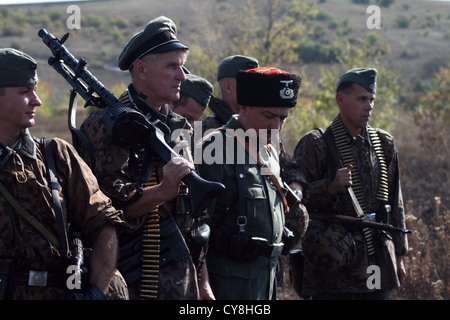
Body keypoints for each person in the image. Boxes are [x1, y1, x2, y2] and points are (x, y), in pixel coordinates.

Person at [79, 16, 214, 300]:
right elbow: (108, 209)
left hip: (182, 274)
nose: (182, 76)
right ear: (140, 69)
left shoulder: (180, 126)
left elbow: (192, 214)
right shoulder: (105, 125)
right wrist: (163, 191)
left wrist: (203, 284)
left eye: (182, 67)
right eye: (171, 66)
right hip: (133, 276)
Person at [0, 48, 127, 300]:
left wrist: (95, 293)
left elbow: (103, 225)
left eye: (35, 91)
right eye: (25, 92)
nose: (37, 101)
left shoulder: (55, 155)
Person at [291, 67, 408, 300]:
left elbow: (395, 201)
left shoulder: (383, 143)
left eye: (372, 100)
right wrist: (330, 187)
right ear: (340, 99)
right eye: (362, 99)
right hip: (335, 261)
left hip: (377, 258)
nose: (369, 106)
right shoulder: (316, 143)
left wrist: (400, 255)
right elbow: (296, 203)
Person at [196, 67, 302, 299]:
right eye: (268, 116)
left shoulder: (271, 150)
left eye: (282, 118)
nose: (276, 127)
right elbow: (194, 228)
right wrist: (203, 285)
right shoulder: (214, 149)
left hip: (266, 280)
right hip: (227, 284)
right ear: (243, 107)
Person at [201, 55, 259, 134]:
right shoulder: (206, 129)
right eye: (250, 84)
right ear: (228, 87)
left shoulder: (262, 125)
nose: (256, 90)